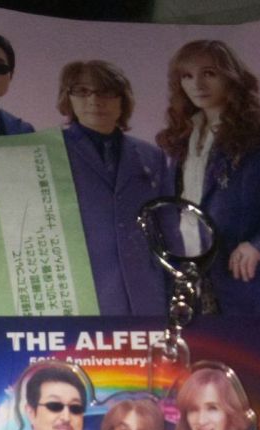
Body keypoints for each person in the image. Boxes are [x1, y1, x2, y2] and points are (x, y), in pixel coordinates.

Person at [156, 40, 260, 338]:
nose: (197, 84)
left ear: (231, 76)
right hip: (185, 293)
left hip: (243, 287)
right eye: (187, 76)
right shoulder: (181, 137)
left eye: (209, 73)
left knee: (255, 369)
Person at [57, 60, 170, 316]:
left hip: (145, 290)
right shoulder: (49, 151)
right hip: (82, 290)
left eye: (106, 91)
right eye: (82, 91)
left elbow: (168, 223)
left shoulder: (151, 155)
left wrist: (177, 281)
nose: (94, 100)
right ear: (68, 98)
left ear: (122, 99)